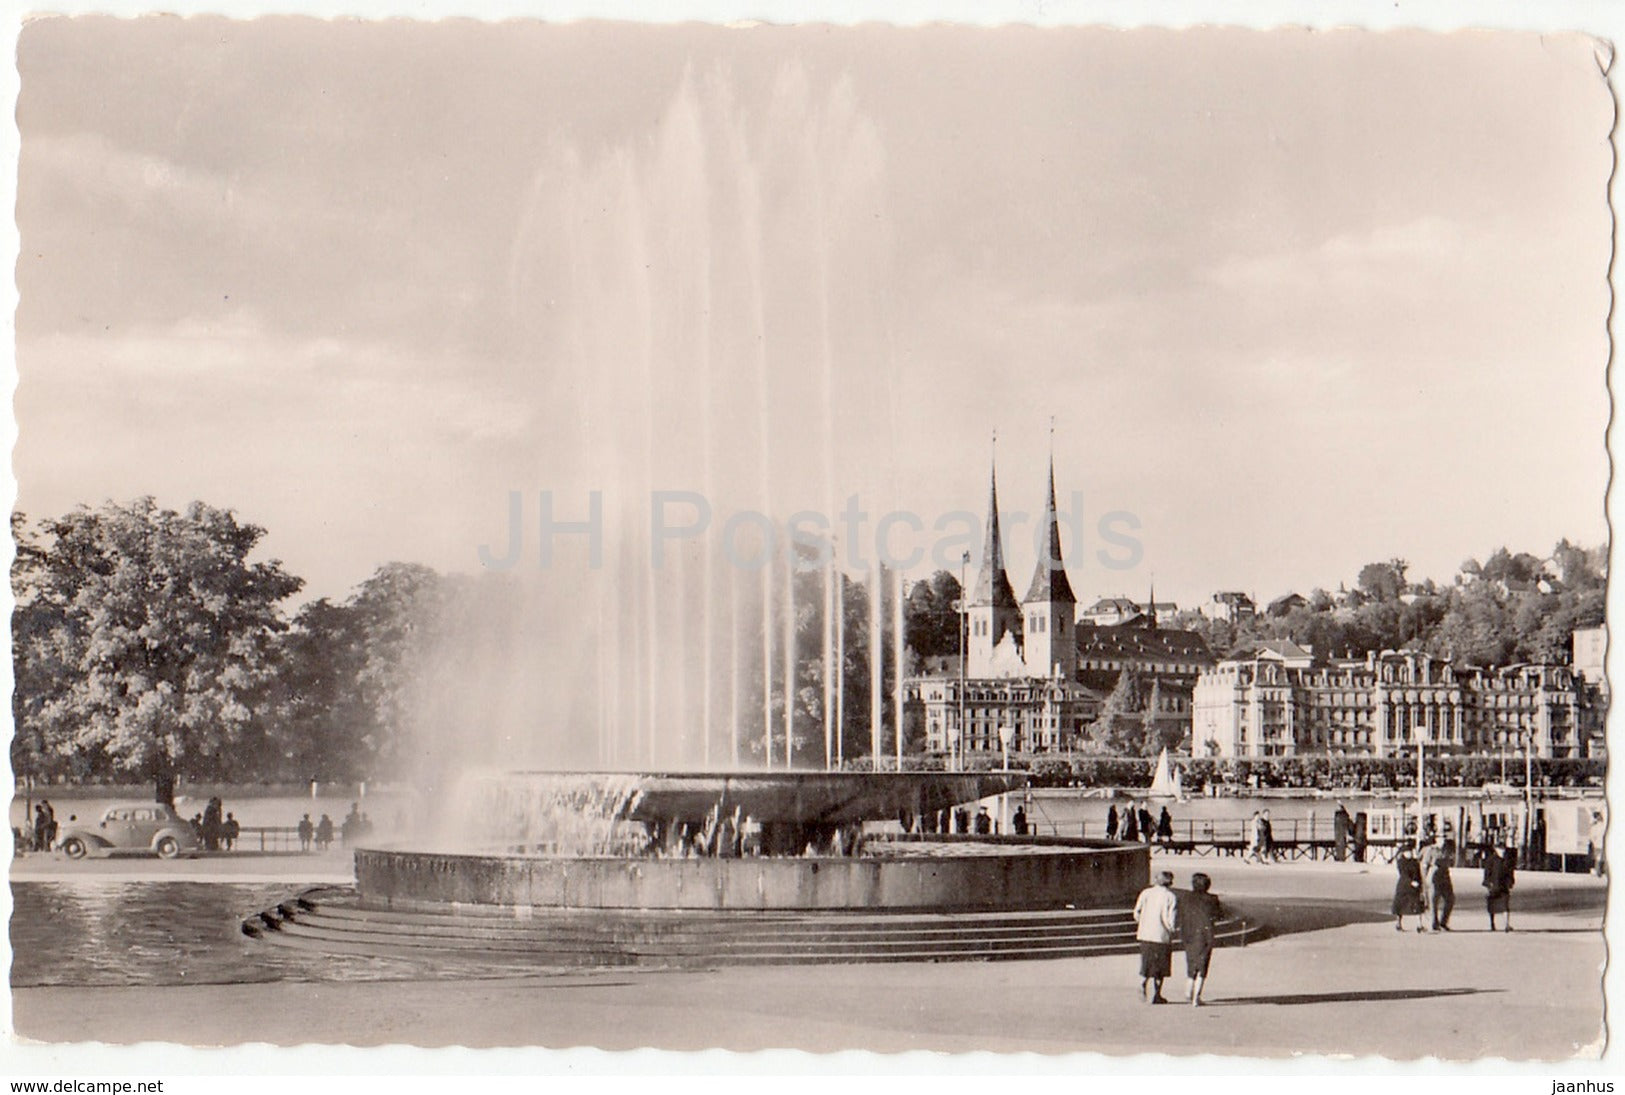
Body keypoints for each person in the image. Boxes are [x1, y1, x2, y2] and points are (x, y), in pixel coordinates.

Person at [1133, 870, 1179, 1004]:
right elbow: (1171, 918)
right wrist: (1172, 930)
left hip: (1145, 933)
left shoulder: (1146, 893)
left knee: (1146, 962)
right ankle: (1157, 994)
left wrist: (1142, 922)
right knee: (1161, 967)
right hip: (1161, 935)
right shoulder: (1170, 896)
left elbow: (1137, 911)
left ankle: (1142, 982)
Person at [1180, 872, 1224, 1007]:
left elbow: (1181, 914)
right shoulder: (1212, 899)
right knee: (1203, 965)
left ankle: (1188, 990)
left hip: (1189, 932)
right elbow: (1219, 915)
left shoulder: (1185, 897)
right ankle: (1196, 997)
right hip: (1206, 933)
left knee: (1191, 960)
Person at [1393, 843, 1427, 932]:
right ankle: (1398, 923)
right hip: (1404, 887)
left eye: (1410, 852)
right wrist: (1411, 882)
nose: (1410, 854)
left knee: (1418, 905)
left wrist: (1421, 884)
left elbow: (1419, 874)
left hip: (1415, 887)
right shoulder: (1401, 862)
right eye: (1407, 852)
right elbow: (1403, 875)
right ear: (1403, 853)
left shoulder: (1415, 862)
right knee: (1400, 906)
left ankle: (1419, 925)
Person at [1484, 841, 1516, 932]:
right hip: (1493, 885)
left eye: (1503, 849)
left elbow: (1510, 873)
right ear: (1496, 849)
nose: (1502, 851)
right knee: (1492, 906)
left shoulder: (1507, 860)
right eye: (1500, 849)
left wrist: (1511, 882)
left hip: (1504, 886)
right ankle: (1492, 924)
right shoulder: (1491, 860)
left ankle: (1506, 924)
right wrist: (1487, 883)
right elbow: (1487, 873)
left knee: (1505, 905)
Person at [1426, 839, 1455, 931]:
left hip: (1445, 876)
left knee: (1450, 899)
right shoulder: (1431, 849)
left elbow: (1451, 862)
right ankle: (1434, 923)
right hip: (1434, 876)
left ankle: (1443, 922)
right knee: (1434, 900)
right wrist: (1425, 879)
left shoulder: (1449, 847)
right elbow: (1425, 864)